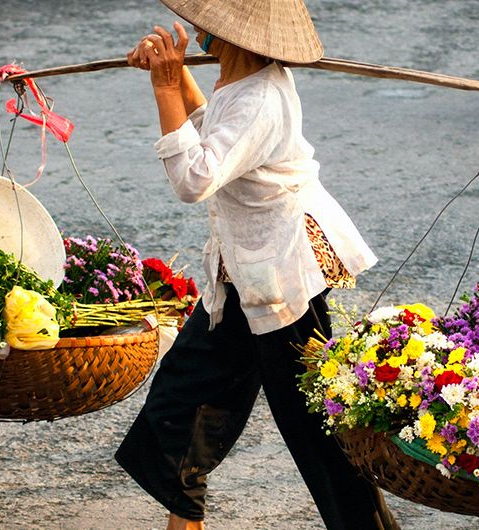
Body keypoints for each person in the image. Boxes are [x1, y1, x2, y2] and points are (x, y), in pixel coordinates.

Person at [114, 1, 398, 529]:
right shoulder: (236, 81)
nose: (199, 30)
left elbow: (195, 179)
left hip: (281, 280)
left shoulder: (264, 97)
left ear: (235, 37)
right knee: (182, 401)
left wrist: (164, 89)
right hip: (239, 280)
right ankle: (184, 520)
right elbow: (213, 132)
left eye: (208, 26)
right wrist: (172, 81)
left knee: (319, 434)